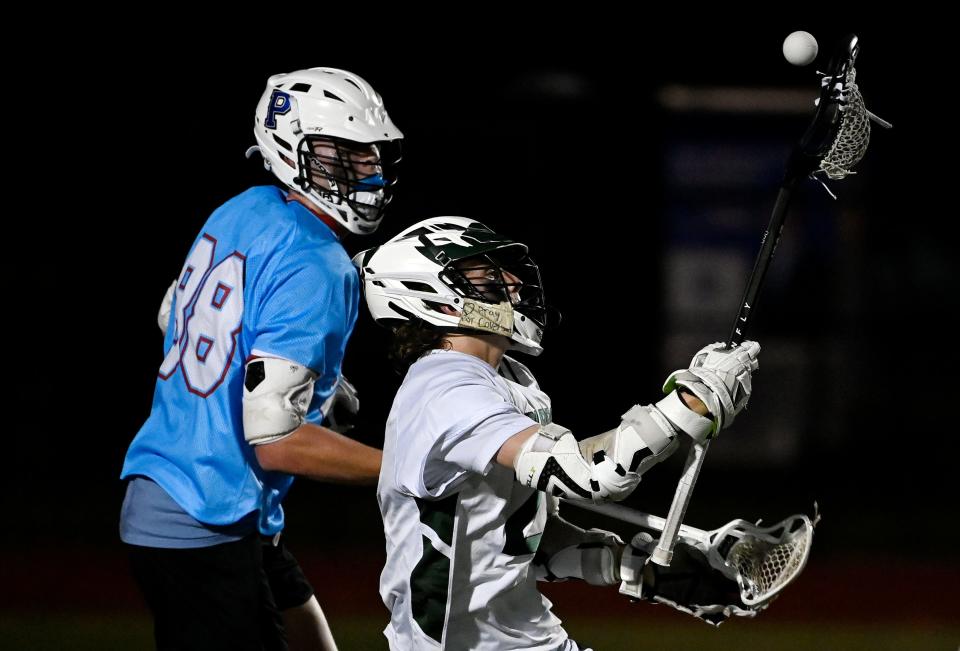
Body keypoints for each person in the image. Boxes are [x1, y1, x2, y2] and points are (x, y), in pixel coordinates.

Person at [355, 217, 762, 650]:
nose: (511, 280)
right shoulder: (445, 388)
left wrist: (634, 567)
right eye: (486, 275)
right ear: (433, 298)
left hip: (527, 636)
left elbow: (518, 537)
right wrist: (688, 405)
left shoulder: (506, 380)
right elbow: (590, 476)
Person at [119, 67, 403, 651]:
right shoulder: (320, 262)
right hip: (206, 519)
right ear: (289, 146)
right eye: (342, 154)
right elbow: (277, 440)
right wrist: (409, 463)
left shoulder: (242, 208)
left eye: (371, 155)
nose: (366, 173)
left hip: (178, 500)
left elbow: (174, 314)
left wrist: (316, 378)